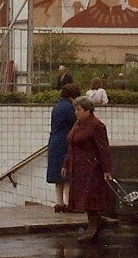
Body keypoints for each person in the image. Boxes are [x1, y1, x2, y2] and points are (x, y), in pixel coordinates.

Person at [61, 96, 112, 242]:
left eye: (79, 110)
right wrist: (65, 164)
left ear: (88, 110)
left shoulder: (96, 125)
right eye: (75, 110)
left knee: (90, 199)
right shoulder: (78, 123)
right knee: (83, 198)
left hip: (91, 169)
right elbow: (71, 145)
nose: (76, 112)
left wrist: (107, 170)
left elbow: (104, 149)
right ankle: (97, 222)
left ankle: (93, 227)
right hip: (78, 168)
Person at [47, 83, 80, 212]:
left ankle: (59, 202)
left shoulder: (57, 106)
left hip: (54, 141)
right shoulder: (70, 108)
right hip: (65, 143)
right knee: (67, 175)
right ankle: (69, 203)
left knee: (57, 176)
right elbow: (76, 123)